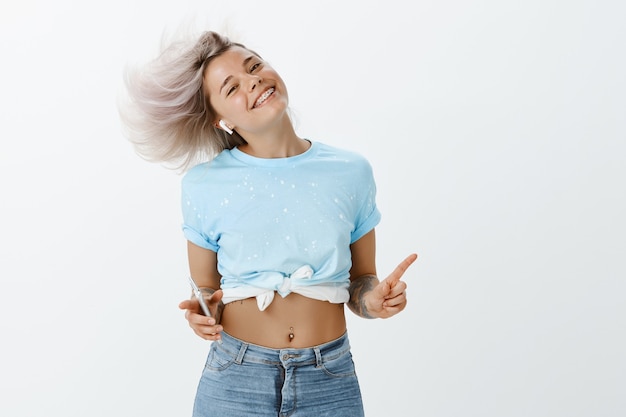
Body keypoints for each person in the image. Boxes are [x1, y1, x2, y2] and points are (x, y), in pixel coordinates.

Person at [119, 30, 417, 417]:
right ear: (219, 119)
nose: (254, 81)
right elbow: (207, 290)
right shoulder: (204, 185)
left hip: (330, 379)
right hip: (235, 380)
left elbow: (362, 282)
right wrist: (203, 313)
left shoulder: (351, 172)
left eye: (254, 66)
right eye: (232, 87)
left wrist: (374, 302)